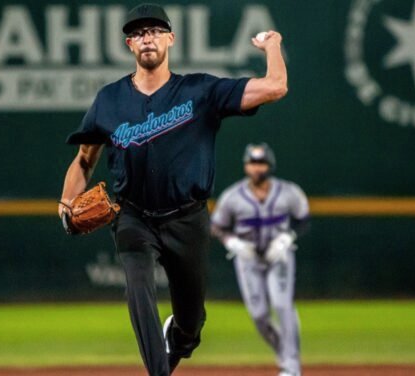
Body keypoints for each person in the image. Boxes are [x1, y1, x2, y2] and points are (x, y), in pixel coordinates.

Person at [58, 3, 288, 375]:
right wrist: (67, 200)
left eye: (154, 31)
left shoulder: (201, 91)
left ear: (170, 38)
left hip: (188, 217)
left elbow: (276, 87)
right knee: (138, 289)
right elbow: (85, 160)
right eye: (137, 33)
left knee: (191, 325)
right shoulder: (108, 100)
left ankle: (177, 341)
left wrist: (273, 44)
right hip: (134, 215)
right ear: (129, 45)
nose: (146, 38)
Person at [211, 143, 309, 376]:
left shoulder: (288, 191)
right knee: (259, 315)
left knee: (282, 305)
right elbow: (217, 227)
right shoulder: (233, 196)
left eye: (261, 163)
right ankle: (284, 352)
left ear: (270, 165)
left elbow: (303, 219)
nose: (257, 168)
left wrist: (287, 237)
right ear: (246, 166)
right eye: (253, 163)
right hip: (248, 258)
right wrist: (232, 242)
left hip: (280, 257)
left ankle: (291, 366)